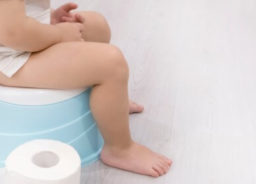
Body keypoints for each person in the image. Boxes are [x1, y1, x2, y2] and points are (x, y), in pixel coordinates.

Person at [0, 0, 172, 177]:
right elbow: (13, 33)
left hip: (16, 39)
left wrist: (48, 17)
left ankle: (112, 101)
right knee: (111, 64)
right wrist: (58, 34)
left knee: (98, 27)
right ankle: (120, 149)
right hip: (9, 60)